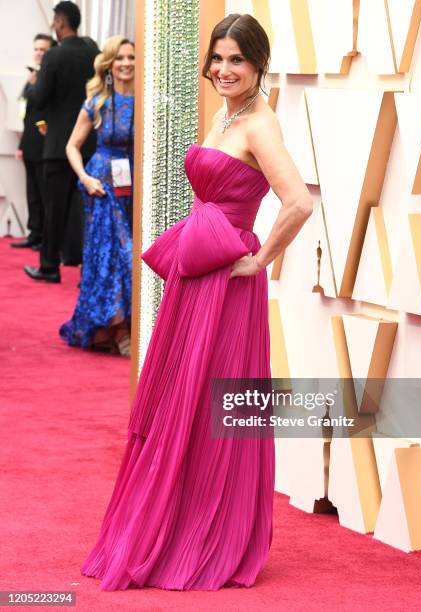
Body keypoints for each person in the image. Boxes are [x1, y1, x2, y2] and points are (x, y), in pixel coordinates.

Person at [80, 14, 313, 591]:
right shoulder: (224, 114)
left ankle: (208, 535)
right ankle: (173, 521)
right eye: (217, 58)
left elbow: (299, 203)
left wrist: (259, 261)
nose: (223, 69)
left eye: (237, 59)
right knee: (179, 402)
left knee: (209, 406)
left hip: (227, 286)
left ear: (259, 63)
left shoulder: (260, 125)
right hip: (196, 279)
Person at [59, 36, 135, 356]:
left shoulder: (148, 100)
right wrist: (86, 178)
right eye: (120, 58)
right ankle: (120, 328)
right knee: (118, 252)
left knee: (127, 253)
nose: (127, 63)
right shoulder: (98, 103)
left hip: (135, 184)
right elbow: (72, 146)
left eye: (132, 57)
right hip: (103, 186)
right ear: (108, 64)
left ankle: (122, 323)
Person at [24, 1, 99, 283]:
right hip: (89, 143)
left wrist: (33, 85)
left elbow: (40, 98)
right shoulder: (95, 53)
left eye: (55, 22)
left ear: (61, 22)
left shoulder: (54, 56)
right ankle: (86, 270)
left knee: (54, 208)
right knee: (88, 210)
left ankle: (49, 266)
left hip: (58, 145)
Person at [11, 34, 55, 250]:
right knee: (32, 192)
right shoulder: (33, 76)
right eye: (36, 49)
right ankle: (34, 233)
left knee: (45, 192)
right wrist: (21, 145)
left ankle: (45, 238)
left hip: (45, 143)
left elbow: (46, 110)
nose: (39, 53)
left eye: (43, 49)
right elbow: (27, 112)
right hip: (29, 142)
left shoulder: (50, 76)